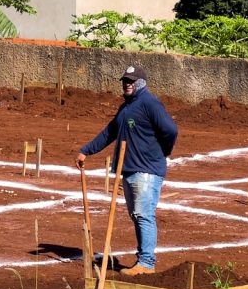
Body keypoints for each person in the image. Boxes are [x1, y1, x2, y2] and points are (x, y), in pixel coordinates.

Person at [76, 64, 178, 276]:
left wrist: (163, 150)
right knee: (136, 215)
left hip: (147, 170)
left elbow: (170, 129)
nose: (127, 84)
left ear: (141, 82)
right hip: (130, 169)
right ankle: (143, 260)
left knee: (143, 214)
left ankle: (147, 263)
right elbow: (109, 133)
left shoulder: (149, 103)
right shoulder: (126, 108)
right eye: (125, 81)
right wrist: (86, 150)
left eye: (131, 81)